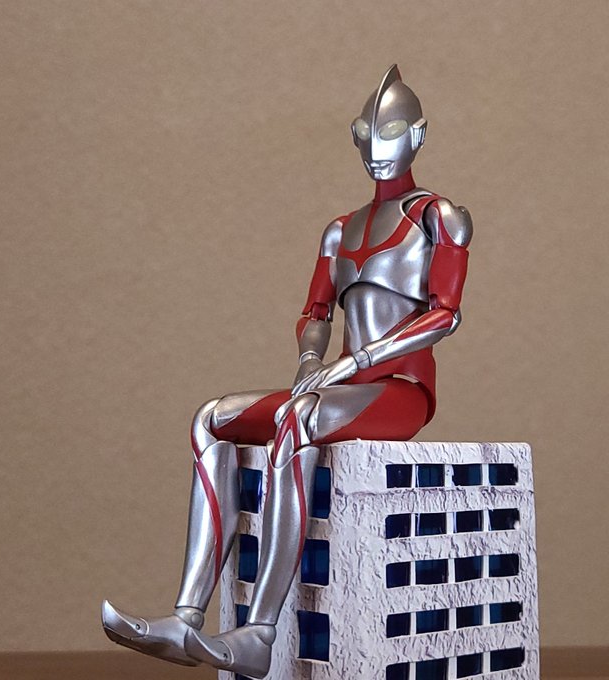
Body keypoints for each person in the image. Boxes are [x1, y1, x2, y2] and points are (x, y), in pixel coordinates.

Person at [101, 64, 472, 679]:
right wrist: (310, 358)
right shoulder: (340, 230)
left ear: (418, 135)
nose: (377, 148)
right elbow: (315, 312)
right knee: (211, 419)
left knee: (298, 420)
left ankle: (259, 633)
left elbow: (444, 316)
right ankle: (187, 615)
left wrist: (357, 360)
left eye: (390, 133)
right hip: (339, 386)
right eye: (367, 134)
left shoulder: (440, 218)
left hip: (401, 390)